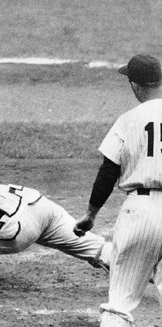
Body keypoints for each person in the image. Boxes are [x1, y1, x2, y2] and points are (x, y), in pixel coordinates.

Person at [74, 54, 162, 327]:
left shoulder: (128, 119)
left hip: (141, 213)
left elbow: (108, 172)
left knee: (120, 305)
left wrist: (90, 215)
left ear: (135, 85)